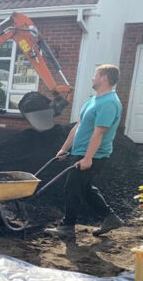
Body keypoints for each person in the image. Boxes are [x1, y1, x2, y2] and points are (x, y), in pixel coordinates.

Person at [45, 64, 124, 237]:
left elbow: (99, 132)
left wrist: (88, 158)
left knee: (72, 187)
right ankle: (110, 218)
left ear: (104, 78)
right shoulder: (93, 100)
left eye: (95, 74)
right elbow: (78, 127)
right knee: (84, 187)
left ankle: (67, 227)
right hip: (79, 151)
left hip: (94, 155)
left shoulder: (110, 102)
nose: (92, 78)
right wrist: (64, 148)